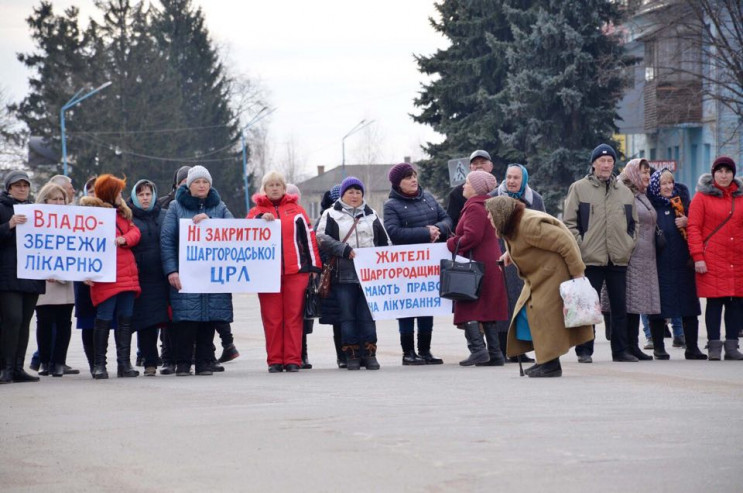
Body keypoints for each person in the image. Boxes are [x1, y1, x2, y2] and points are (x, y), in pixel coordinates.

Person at [485, 196, 594, 377]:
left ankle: (551, 364)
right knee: (525, 314)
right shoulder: (512, 223)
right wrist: (509, 255)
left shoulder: (528, 224)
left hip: (553, 273)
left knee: (543, 315)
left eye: (490, 213)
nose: (488, 217)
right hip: (540, 275)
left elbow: (565, 241)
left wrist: (577, 273)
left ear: (500, 213)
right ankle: (544, 360)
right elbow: (524, 243)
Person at [563, 144, 638, 363]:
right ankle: (584, 350)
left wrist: (628, 244)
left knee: (619, 307)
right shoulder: (579, 188)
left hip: (617, 257)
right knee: (587, 306)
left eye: (610, 161)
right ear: (593, 163)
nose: (606, 165)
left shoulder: (624, 191)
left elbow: (634, 224)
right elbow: (569, 223)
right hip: (589, 258)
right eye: (602, 161)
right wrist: (581, 246)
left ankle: (621, 350)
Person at [161, 165, 235, 376]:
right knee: (186, 321)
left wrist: (211, 223)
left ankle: (204, 362)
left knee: (209, 319)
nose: (201, 185)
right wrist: (171, 271)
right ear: (189, 185)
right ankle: (182, 363)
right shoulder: (176, 207)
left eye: (205, 182)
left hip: (212, 276)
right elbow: (167, 241)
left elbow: (234, 232)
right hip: (186, 276)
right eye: (197, 182)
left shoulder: (219, 207)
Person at [247, 171, 321, 373]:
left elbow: (309, 239)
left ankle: (292, 360)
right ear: (264, 188)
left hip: (296, 273)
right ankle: (275, 360)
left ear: (284, 187)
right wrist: (261, 219)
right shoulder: (255, 213)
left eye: (278, 184)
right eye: (270, 185)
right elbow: (244, 236)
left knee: (293, 318)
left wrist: (314, 267)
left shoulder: (297, 211)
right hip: (266, 276)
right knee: (272, 319)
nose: (274, 188)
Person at [316, 176, 390, 370]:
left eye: (358, 192)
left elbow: (385, 242)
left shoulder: (372, 214)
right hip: (343, 274)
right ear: (343, 194)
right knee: (347, 316)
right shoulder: (331, 214)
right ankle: (352, 354)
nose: (355, 196)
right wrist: (343, 250)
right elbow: (321, 238)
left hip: (368, 276)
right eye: (351, 192)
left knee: (367, 316)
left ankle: (370, 353)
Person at [384, 162, 452, 365]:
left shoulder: (428, 198)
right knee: (407, 307)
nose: (414, 180)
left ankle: (425, 350)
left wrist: (437, 229)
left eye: (414, 175)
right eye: (408, 177)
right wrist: (425, 232)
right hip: (406, 266)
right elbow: (393, 232)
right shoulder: (391, 205)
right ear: (398, 183)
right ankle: (408, 352)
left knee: (426, 305)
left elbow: (447, 219)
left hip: (428, 264)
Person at [79, 174, 142, 379]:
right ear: (109, 193)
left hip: (126, 276)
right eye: (118, 192)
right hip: (105, 276)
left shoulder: (123, 214)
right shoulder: (92, 216)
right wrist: (85, 272)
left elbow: (135, 233)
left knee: (125, 321)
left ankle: (124, 364)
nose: (121, 195)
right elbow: (81, 246)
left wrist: (124, 239)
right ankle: (99, 365)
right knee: (103, 320)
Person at [446, 171, 508, 366]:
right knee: (487, 308)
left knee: (468, 305)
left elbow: (472, 236)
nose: (463, 186)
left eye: (467, 183)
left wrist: (451, 243)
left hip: (477, 263)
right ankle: (495, 353)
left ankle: (478, 350)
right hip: (490, 261)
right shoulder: (487, 205)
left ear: (476, 188)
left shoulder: (474, 207)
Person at [646, 168, 707, 359]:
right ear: (657, 186)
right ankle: (659, 348)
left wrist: (688, 222)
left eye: (670, 183)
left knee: (689, 305)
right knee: (659, 308)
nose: (668, 187)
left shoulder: (680, 205)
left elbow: (698, 228)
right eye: (664, 183)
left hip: (683, 262)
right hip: (660, 264)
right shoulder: (651, 207)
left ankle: (692, 348)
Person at [687, 156, 743, 360]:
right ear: (713, 174)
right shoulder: (701, 198)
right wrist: (698, 256)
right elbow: (694, 228)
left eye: (728, 171)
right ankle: (713, 345)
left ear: (733, 174)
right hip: (712, 258)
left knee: (736, 302)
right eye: (720, 171)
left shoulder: (740, 197)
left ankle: (731, 346)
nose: (724, 175)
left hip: (737, 258)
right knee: (715, 301)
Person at [488, 163, 545, 364]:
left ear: (524, 180)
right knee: (502, 303)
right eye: (509, 177)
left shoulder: (534, 199)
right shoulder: (493, 196)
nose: (512, 181)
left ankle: (520, 349)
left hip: (525, 259)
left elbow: (543, 226)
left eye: (516, 178)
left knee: (523, 306)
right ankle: (500, 347)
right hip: (501, 256)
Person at [0, 170, 45, 384]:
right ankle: (5, 368)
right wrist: (9, 225)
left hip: (32, 275)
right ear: (9, 188)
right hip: (8, 275)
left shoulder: (35, 211)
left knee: (25, 322)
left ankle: (18, 367)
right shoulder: (1, 208)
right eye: (17, 185)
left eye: (25, 185)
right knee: (12, 320)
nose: (21, 188)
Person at [618, 159, 660, 360]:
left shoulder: (641, 194)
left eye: (648, 173)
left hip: (645, 256)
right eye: (643, 172)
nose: (647, 176)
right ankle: (626, 346)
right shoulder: (625, 194)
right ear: (633, 173)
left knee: (636, 302)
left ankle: (633, 346)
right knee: (629, 302)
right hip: (632, 254)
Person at [127, 179, 170, 376]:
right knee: (147, 323)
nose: (145, 198)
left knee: (167, 320)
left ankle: (169, 358)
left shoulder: (165, 216)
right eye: (142, 194)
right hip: (141, 278)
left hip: (163, 276)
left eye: (149, 194)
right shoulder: (128, 217)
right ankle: (149, 362)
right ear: (136, 197)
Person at [33, 182, 75, 377]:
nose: (58, 202)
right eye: (54, 199)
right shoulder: (35, 221)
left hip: (65, 281)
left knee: (64, 321)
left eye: (61, 199)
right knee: (44, 322)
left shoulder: (73, 221)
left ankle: (59, 362)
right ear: (45, 200)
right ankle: (44, 361)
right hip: (45, 281)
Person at [447, 150, 494, 230]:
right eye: (475, 163)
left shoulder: (499, 190)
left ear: (491, 166)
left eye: (483, 162)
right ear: (470, 168)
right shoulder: (458, 193)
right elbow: (452, 223)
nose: (479, 166)